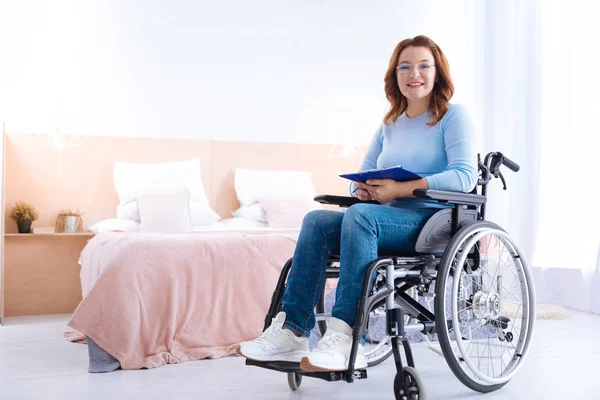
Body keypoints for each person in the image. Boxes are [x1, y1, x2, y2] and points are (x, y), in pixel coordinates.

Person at [239, 35, 478, 372]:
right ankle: (292, 333)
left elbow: (465, 176)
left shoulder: (453, 117)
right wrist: (361, 191)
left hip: (430, 223)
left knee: (361, 218)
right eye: (405, 67)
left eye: (424, 65)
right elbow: (361, 176)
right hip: (379, 218)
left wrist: (401, 189)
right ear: (395, 75)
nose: (415, 74)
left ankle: (347, 335)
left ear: (438, 72)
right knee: (317, 221)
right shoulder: (390, 122)